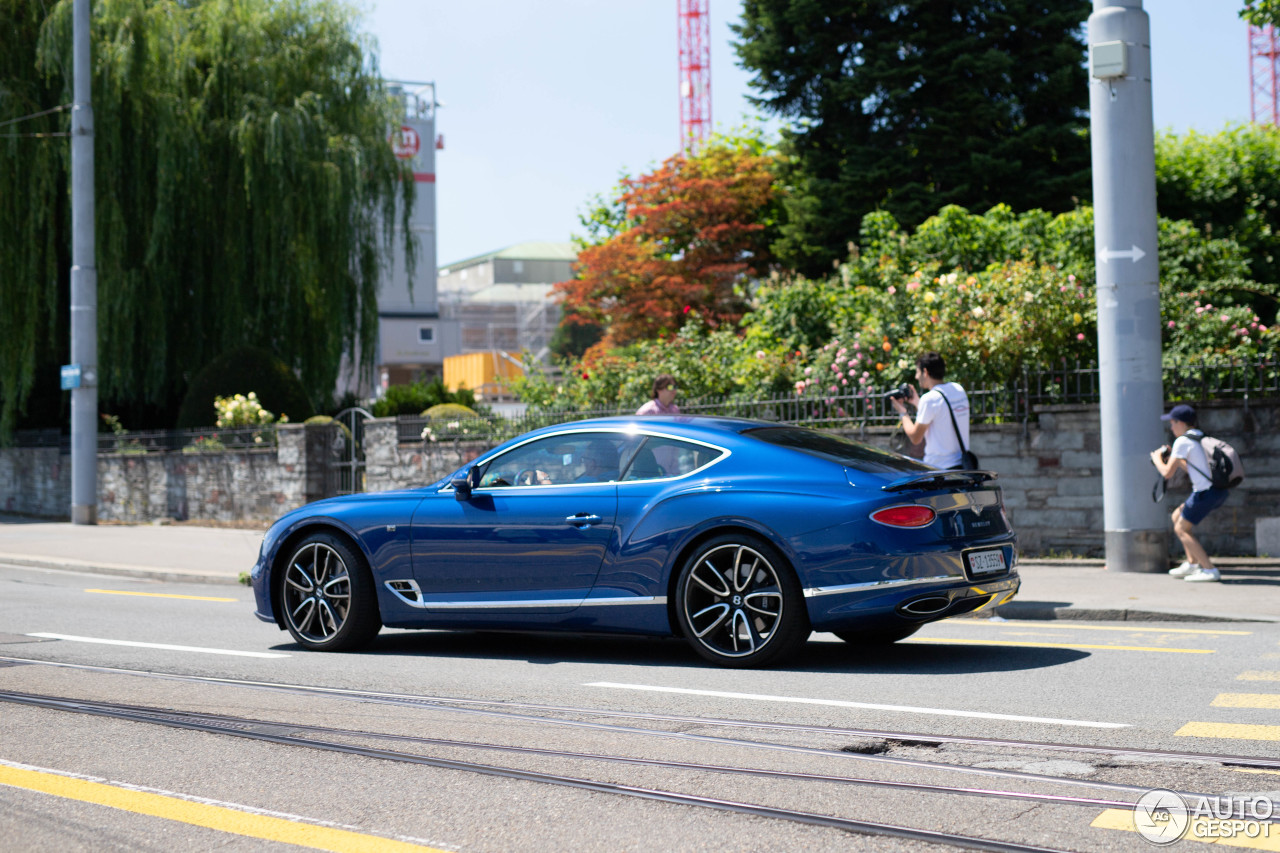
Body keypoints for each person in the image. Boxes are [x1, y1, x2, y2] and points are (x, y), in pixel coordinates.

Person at [1150, 404, 1228, 583]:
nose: (1171, 427)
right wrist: (1174, 460)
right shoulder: (1199, 436)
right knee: (1177, 515)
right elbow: (1193, 468)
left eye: (1172, 423)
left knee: (1181, 528)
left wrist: (1157, 460)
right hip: (1215, 491)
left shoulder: (1182, 441)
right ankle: (1192, 565)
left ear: (1181, 423)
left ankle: (1209, 569)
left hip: (1204, 493)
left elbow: (1167, 473)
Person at [890, 352, 971, 470]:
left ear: (926, 372)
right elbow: (940, 415)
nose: (916, 377)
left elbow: (915, 438)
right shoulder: (958, 389)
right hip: (962, 467)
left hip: (940, 469)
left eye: (918, 372)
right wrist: (917, 402)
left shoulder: (929, 399)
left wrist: (903, 413)